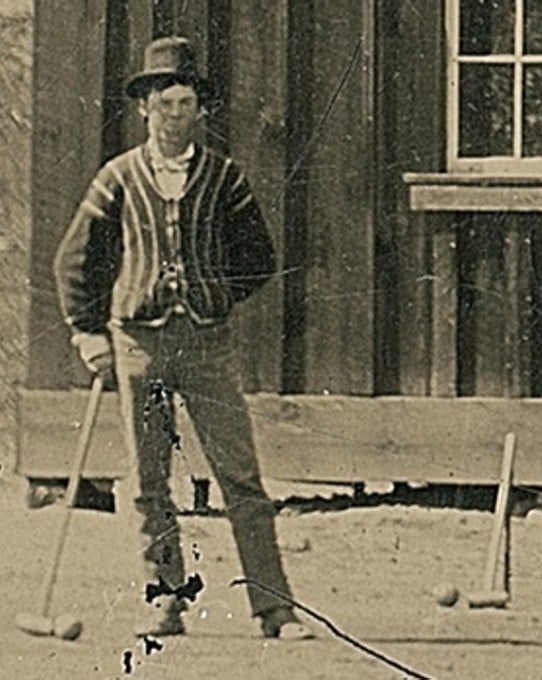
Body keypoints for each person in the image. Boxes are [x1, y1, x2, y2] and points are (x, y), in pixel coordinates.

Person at [53, 36, 313, 641]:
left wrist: (213, 295)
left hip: (206, 345)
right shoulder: (117, 176)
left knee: (241, 478)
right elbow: (74, 262)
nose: (175, 115)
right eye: (164, 103)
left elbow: (258, 257)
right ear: (144, 107)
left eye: (186, 103)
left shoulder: (225, 178)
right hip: (137, 345)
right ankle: (165, 601)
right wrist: (88, 335)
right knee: (147, 482)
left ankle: (275, 609)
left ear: (201, 110)